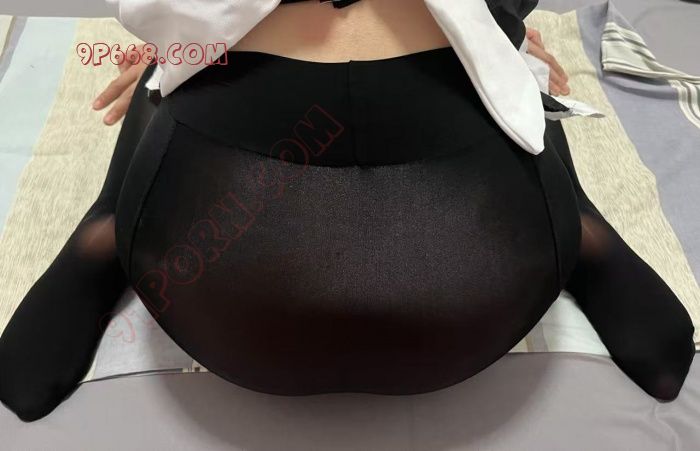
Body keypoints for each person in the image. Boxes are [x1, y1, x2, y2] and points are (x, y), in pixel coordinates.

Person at [0, 0, 694, 423]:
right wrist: (495, 35)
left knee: (169, 71)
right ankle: (582, 231)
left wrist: (174, 49)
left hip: (217, 284)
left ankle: (106, 232)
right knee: (513, 81)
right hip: (483, 275)